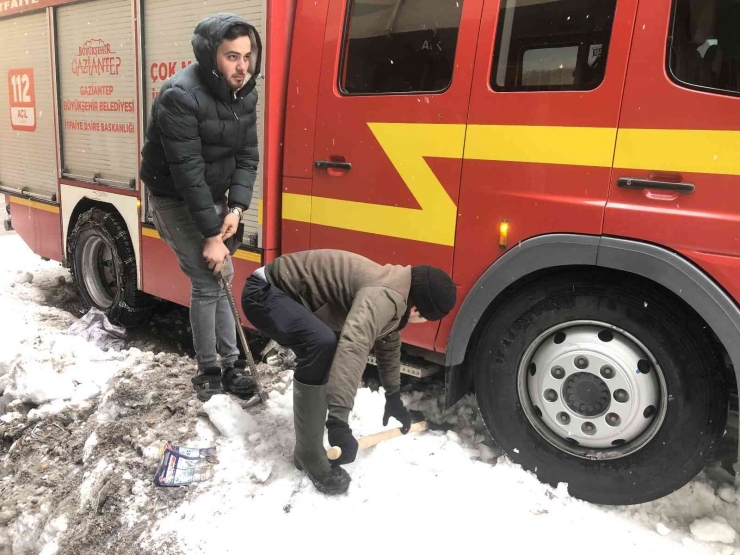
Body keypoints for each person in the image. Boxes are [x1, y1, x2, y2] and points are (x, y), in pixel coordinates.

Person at [241, 250, 457, 495]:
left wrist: (393, 395)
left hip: (284, 296)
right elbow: (354, 346)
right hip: (263, 293)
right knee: (321, 345)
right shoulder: (383, 296)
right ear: (418, 310)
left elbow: (388, 340)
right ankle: (308, 454)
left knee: (325, 346)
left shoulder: (398, 288)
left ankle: (309, 441)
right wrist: (338, 422)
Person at [139, 13, 261, 402]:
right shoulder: (180, 96)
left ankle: (231, 364)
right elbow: (188, 173)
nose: (242, 66)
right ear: (212, 57)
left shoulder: (245, 93)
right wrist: (211, 235)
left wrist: (236, 209)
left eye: (247, 55)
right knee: (210, 277)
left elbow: (246, 155)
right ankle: (211, 369)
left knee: (223, 272)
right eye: (231, 57)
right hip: (174, 195)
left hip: (213, 195)